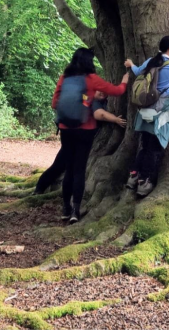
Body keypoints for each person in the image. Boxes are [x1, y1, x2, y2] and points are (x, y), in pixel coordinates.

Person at [49, 48, 128, 224]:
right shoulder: (92, 79)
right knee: (79, 170)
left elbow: (55, 104)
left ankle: (65, 208)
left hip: (66, 129)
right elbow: (116, 91)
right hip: (85, 130)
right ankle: (76, 210)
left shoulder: (65, 78)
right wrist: (124, 81)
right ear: (89, 62)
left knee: (69, 168)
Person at [124, 35, 169, 197]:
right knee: (154, 148)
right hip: (159, 113)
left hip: (144, 111)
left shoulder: (151, 61)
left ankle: (133, 176)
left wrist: (131, 64)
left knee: (145, 145)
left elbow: (138, 71)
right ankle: (145, 182)